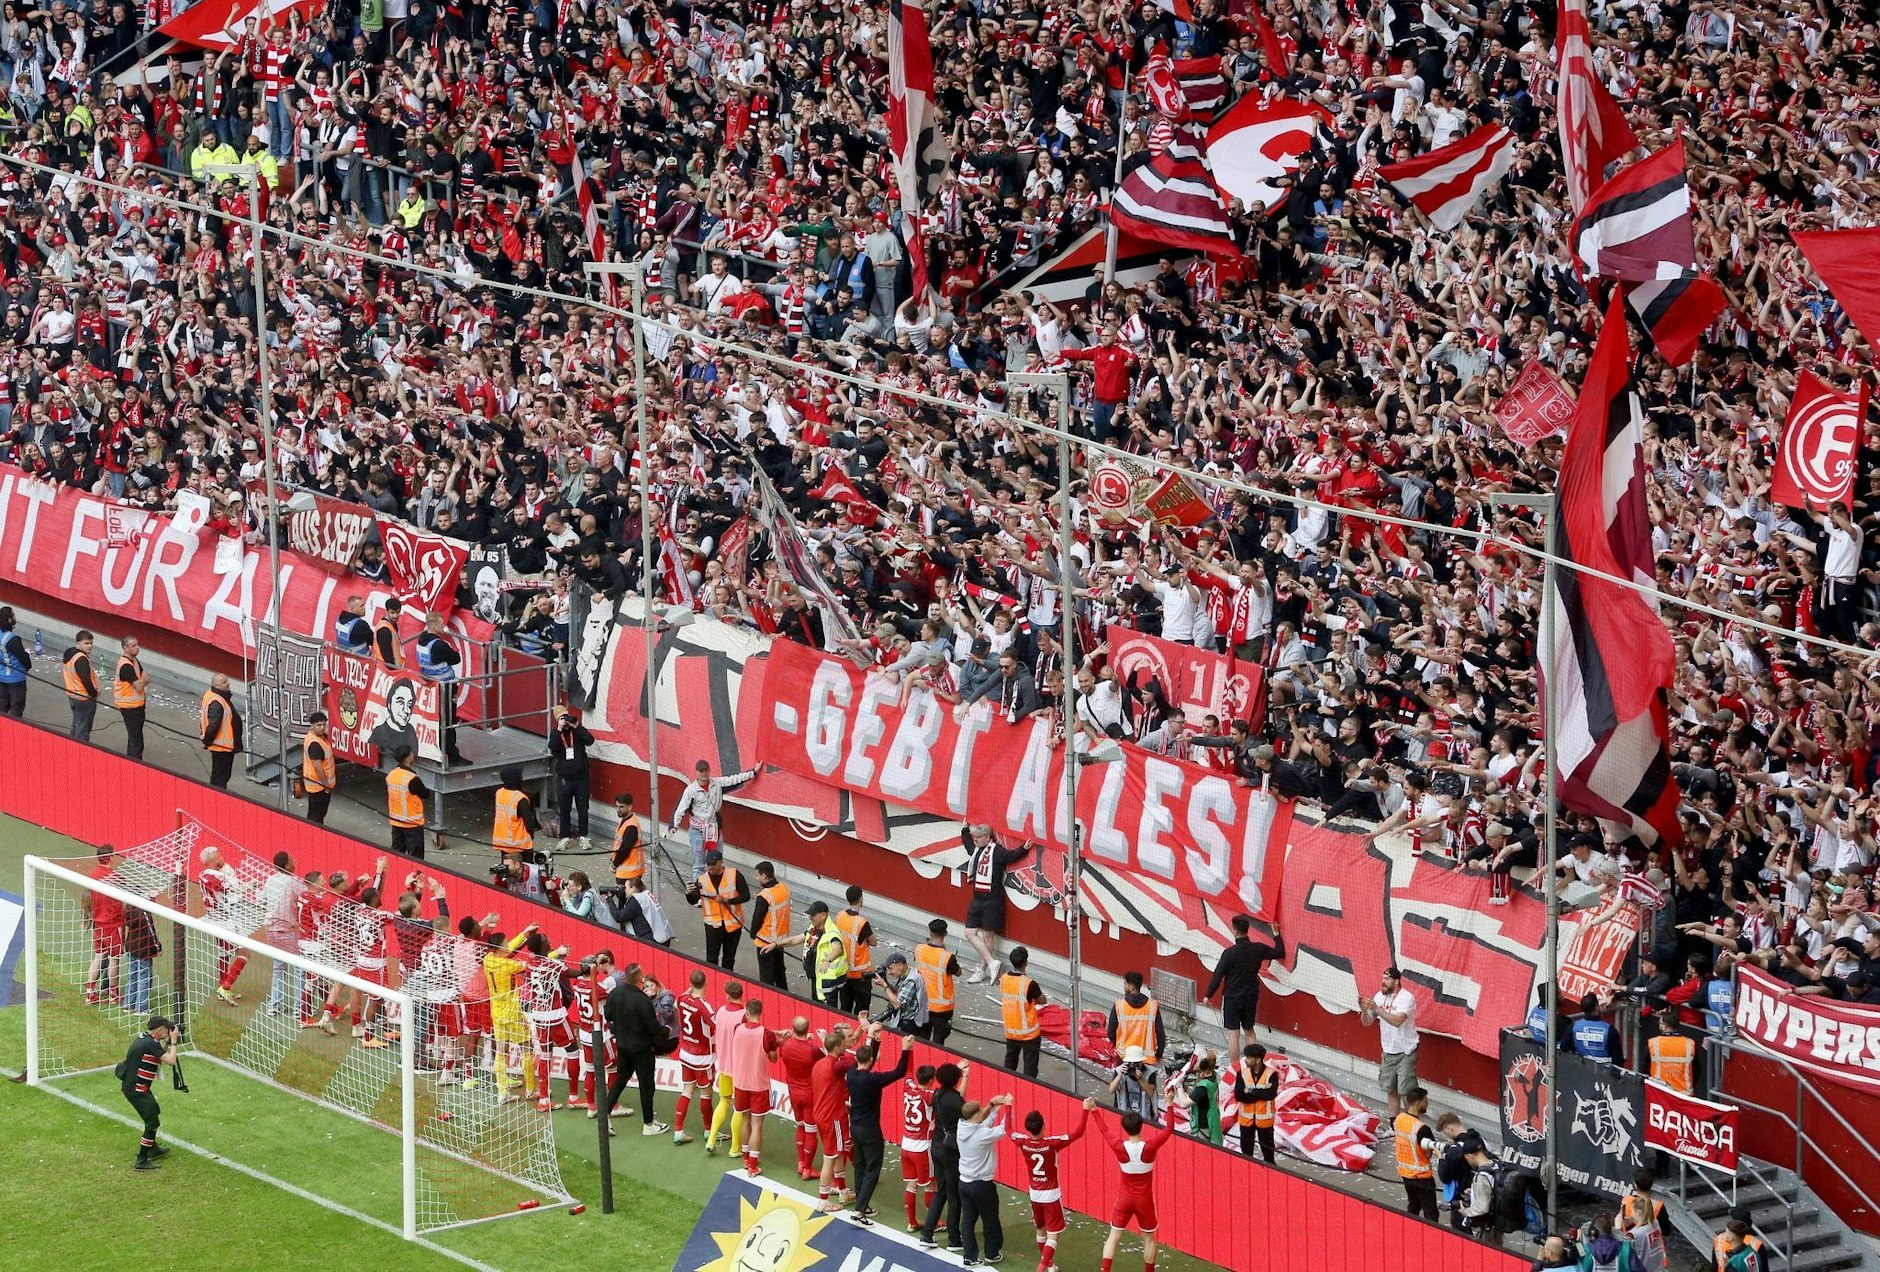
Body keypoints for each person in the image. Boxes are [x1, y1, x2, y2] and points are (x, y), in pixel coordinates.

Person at [1012, 1097, 1096, 1269]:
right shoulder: (1052, 1144)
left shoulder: (1023, 1142)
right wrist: (1085, 1109)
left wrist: (1007, 1106)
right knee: (1053, 1235)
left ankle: (1050, 1266)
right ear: (1043, 1126)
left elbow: (1008, 1130)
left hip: (1034, 1194)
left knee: (1040, 1231)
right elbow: (1078, 1132)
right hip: (1051, 1195)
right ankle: (1042, 1267)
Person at [845, 1024, 913, 1224]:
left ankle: (862, 1204)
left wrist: (872, 1037)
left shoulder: (851, 1074)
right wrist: (905, 1049)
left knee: (860, 1166)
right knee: (872, 1169)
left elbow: (868, 1060)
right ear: (872, 1061)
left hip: (855, 1127)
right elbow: (900, 1071)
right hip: (871, 1130)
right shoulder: (874, 1080)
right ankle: (859, 1210)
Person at [1098, 1107, 1176, 1272]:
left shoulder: (1119, 1146)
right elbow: (1169, 1129)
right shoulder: (1149, 1147)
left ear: (1124, 1128)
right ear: (1142, 1126)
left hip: (1125, 1198)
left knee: (1113, 1237)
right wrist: (1169, 1104)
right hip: (1144, 1200)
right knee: (1148, 1239)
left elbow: (1104, 1131)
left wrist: (1093, 1111)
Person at [603, 962, 676, 1134]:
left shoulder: (615, 993)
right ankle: (649, 1124)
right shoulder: (642, 1000)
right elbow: (652, 1026)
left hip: (623, 1045)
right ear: (639, 979)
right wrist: (666, 1031)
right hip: (641, 1049)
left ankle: (604, 1116)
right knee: (646, 1085)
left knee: (620, 1080)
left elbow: (608, 1015)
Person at [1202, 914, 1285, 1054]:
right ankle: (1253, 1066)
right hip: (1251, 996)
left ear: (1234, 931)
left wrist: (1208, 995)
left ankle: (1235, 1070)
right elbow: (1279, 952)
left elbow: (1218, 976)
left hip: (1232, 998)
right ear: (1247, 930)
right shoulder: (1258, 949)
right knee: (1249, 1029)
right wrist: (1276, 935)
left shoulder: (1229, 953)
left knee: (1233, 1034)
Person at [961, 823, 1029, 983]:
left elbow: (1011, 856)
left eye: (978, 837)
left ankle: (982, 969)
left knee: (987, 936)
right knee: (969, 933)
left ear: (987, 837)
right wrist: (964, 829)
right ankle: (992, 963)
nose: (975, 840)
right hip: (978, 899)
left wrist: (1024, 848)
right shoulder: (976, 850)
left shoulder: (997, 851)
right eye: (974, 837)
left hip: (992, 900)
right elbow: (967, 844)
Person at [666, 759, 758, 876]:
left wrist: (753, 772)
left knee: (717, 864)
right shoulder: (691, 791)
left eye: (706, 771)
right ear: (696, 772)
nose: (704, 773)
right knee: (699, 866)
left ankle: (716, 889)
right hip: (697, 831)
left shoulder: (717, 784)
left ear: (709, 771)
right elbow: (680, 809)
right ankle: (697, 893)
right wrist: (673, 826)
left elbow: (735, 779)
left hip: (714, 829)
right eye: (701, 771)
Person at [955, 1093, 1015, 1265]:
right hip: (981, 1185)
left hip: (964, 1183)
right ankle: (992, 1253)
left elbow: (982, 1124)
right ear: (975, 1115)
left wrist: (994, 1108)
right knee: (990, 1220)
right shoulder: (981, 1135)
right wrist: (1009, 1107)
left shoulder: (962, 1127)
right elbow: (1005, 1129)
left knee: (967, 1221)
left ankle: (969, 1256)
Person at [917, 1061, 969, 1249]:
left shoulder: (937, 1094)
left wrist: (960, 1073)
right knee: (954, 1196)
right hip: (951, 1152)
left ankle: (927, 1233)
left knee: (940, 1192)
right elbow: (965, 1108)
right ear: (955, 1081)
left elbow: (956, 1095)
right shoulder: (954, 1100)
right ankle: (954, 1239)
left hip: (937, 1147)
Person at [726, 997, 781, 1177]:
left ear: (747, 1013)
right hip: (758, 1084)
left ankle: (746, 1159)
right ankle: (753, 1165)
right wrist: (777, 1042)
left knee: (746, 1119)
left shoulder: (738, 1029)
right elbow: (773, 1058)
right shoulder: (767, 1034)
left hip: (740, 1082)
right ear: (761, 1013)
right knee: (757, 1125)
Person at [1360, 965, 1420, 1118]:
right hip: (1388, 1051)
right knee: (1391, 1089)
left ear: (1397, 981)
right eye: (1382, 978)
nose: (1383, 982)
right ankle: (1394, 1126)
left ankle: (1412, 1124)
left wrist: (1377, 1009)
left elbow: (1397, 1021)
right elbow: (1367, 1023)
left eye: (1387, 979)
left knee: (1406, 1091)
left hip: (1406, 1051)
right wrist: (1364, 1010)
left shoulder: (1407, 997)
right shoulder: (1379, 997)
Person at [120, 1016, 179, 1170]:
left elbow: (158, 1054)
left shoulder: (146, 1039)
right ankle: (141, 1160)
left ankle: (153, 1149)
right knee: (152, 1123)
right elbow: (171, 1060)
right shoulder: (150, 1044)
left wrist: (167, 1043)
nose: (168, 1031)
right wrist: (173, 1041)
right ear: (159, 1029)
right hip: (137, 1089)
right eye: (166, 1029)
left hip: (135, 1086)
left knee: (154, 1111)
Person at [811, 1024, 859, 1211]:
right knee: (830, 1158)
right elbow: (859, 1061)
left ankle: (842, 1190)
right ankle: (822, 1201)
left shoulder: (819, 1064)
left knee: (837, 1153)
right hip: (833, 1118)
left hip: (821, 1115)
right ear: (838, 1047)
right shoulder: (835, 1066)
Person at [669, 970, 717, 1143]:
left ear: (690, 983)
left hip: (686, 1053)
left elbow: (676, 1003)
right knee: (706, 1093)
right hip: (702, 1057)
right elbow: (716, 1024)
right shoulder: (704, 1006)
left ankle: (678, 1130)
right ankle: (709, 1130)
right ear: (706, 983)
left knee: (687, 1090)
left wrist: (687, 992)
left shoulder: (682, 999)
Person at [779, 1017, 826, 1181]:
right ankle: (807, 1169)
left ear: (792, 1028)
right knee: (811, 1130)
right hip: (810, 1093)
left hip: (793, 1091)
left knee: (800, 1126)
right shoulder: (812, 1049)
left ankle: (801, 1163)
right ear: (808, 1029)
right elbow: (828, 1058)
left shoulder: (785, 1045)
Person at [686, 849, 750, 969]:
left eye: (713, 864)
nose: (710, 867)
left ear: (721, 862)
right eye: (708, 864)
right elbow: (693, 900)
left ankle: (727, 983)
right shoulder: (702, 880)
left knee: (729, 958)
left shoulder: (734, 875)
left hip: (733, 924)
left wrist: (729, 901)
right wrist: (689, 893)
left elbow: (746, 896)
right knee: (711, 959)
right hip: (713, 925)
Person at [415, 612, 465, 763]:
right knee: (448, 722)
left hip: (430, 686)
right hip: (445, 687)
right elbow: (456, 659)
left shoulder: (421, 641)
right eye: (442, 625)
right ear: (435, 626)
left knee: (435, 720)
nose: (444, 627)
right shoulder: (439, 645)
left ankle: (436, 751)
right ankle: (452, 756)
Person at [706, 980, 749, 1157]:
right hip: (739, 1069)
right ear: (742, 995)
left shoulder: (720, 1012)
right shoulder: (744, 1016)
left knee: (723, 1101)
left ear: (727, 995)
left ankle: (711, 1139)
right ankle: (735, 1148)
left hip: (723, 1066)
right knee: (739, 1108)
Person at [83, 846, 125, 1006]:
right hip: (113, 924)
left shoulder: (92, 876)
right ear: (111, 857)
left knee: (99, 956)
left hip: (98, 924)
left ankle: (90, 994)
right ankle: (114, 995)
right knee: (114, 959)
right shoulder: (115, 877)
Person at [551, 708, 596, 849]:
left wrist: (577, 726)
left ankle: (584, 836)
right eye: (561, 718)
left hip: (581, 778)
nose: (565, 721)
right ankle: (564, 837)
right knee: (564, 809)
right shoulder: (556, 734)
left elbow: (590, 740)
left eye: (566, 717)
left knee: (583, 808)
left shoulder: (576, 733)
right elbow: (552, 747)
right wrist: (559, 729)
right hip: (565, 779)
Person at [1394, 1086, 1440, 1223]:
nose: (1427, 1103)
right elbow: (1428, 1153)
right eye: (1426, 1101)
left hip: (1405, 1172)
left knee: (1414, 1205)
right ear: (1418, 1102)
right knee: (1430, 1212)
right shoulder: (1422, 1129)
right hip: (1421, 1176)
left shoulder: (1399, 1119)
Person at [1000, 946, 1047, 1077]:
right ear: (1025, 963)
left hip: (1011, 1030)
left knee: (1010, 1063)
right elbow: (1043, 1000)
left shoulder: (1004, 979)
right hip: (1029, 1033)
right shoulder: (1029, 983)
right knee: (1030, 1067)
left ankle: (1007, 1085)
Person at [914, 919, 962, 1046]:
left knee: (922, 1038)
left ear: (930, 932)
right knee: (938, 1042)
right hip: (942, 1008)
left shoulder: (919, 949)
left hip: (923, 1003)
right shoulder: (947, 957)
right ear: (946, 933)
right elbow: (958, 972)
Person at [749, 861, 793, 990]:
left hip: (765, 942)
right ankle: (785, 997)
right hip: (780, 940)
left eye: (758, 875)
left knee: (766, 977)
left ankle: (769, 1001)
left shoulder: (764, 896)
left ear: (764, 875)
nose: (757, 878)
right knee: (780, 973)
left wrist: (753, 933)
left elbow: (757, 918)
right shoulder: (784, 888)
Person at [1233, 1043, 1280, 1164]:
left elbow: (1270, 1094)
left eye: (1248, 1057)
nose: (1245, 1060)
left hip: (1265, 1122)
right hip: (1246, 1121)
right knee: (1246, 1155)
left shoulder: (1272, 1074)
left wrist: (1250, 1091)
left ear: (1258, 1060)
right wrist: (1260, 1094)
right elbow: (1239, 1095)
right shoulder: (1241, 1073)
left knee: (1268, 1154)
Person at [835, 885, 878, 1015]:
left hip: (843, 970)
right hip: (860, 975)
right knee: (861, 1011)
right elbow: (873, 942)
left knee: (845, 1007)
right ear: (861, 899)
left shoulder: (840, 915)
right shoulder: (861, 923)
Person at [1109, 971, 1166, 1064]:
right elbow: (1160, 1034)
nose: (1124, 986)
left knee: (1119, 1078)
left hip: (1124, 1057)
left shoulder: (1119, 1006)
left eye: (1125, 984)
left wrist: (1117, 1045)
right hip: (1147, 1059)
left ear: (1131, 987)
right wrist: (1159, 1054)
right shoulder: (1152, 1006)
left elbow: (1111, 1032)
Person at [1618, 1170, 1669, 1272]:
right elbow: (1666, 1231)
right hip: (1656, 1254)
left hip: (1635, 1254)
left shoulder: (1627, 1201)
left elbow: (1622, 1225)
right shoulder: (1659, 1205)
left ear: (1635, 1185)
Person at [200, 672, 244, 788]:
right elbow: (213, 725)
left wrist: (205, 739)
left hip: (221, 746)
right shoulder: (217, 702)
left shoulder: (212, 695)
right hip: (222, 747)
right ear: (217, 686)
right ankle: (218, 798)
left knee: (219, 775)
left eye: (227, 680)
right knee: (220, 777)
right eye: (224, 682)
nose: (228, 683)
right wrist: (207, 741)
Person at [386, 747, 430, 859]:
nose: (413, 755)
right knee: (416, 857)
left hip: (396, 822)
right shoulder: (412, 779)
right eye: (411, 754)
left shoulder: (391, 775)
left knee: (396, 853)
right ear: (407, 759)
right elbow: (425, 794)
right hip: (412, 824)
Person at [491, 767, 539, 862]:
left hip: (503, 842)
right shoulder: (520, 799)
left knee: (507, 869)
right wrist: (531, 835)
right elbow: (529, 822)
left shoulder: (499, 793)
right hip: (520, 844)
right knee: (526, 871)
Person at [114, 636, 151, 760]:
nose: (137, 648)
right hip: (130, 708)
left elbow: (145, 677)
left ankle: (131, 759)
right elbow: (140, 685)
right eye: (133, 646)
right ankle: (135, 763)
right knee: (136, 741)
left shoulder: (134, 661)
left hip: (137, 706)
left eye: (137, 644)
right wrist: (142, 681)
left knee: (134, 737)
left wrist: (142, 681)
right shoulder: (126, 666)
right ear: (126, 648)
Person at [873, 954, 929, 1035]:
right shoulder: (906, 973)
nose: (889, 972)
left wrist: (884, 986)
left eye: (890, 969)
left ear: (900, 965)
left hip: (909, 1024)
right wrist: (884, 980)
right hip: (903, 1020)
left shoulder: (912, 980)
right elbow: (896, 991)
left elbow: (897, 1004)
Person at [63, 629, 99, 741]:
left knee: (77, 723)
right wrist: (94, 693)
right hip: (84, 698)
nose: (90, 646)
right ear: (78, 643)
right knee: (83, 729)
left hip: (73, 695)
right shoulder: (81, 659)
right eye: (86, 643)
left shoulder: (71, 655)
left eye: (91, 643)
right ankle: (81, 751)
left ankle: (71, 745)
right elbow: (86, 681)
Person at [1110, 1047, 1161, 1125]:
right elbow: (1111, 1090)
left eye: (1136, 1063)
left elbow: (1151, 1092)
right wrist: (1120, 1075)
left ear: (1141, 1061)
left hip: (1145, 1115)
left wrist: (1141, 1079)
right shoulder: (1119, 1070)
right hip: (1123, 1113)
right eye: (1131, 1062)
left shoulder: (1150, 1072)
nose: (1133, 1065)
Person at [1647, 1014, 1696, 1094]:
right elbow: (1696, 1069)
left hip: (1659, 1093)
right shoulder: (1689, 1043)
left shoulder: (1653, 1043)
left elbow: (1645, 1068)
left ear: (1664, 1026)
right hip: (1684, 1094)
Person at [610, 793, 646, 890]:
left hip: (629, 873)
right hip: (628, 870)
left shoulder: (631, 826)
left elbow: (625, 849)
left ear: (630, 807)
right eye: (616, 806)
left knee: (626, 901)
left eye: (621, 807)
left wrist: (614, 864)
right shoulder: (627, 821)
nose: (618, 809)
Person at [0, 606, 28, 717]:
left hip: (2, 677)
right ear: (10, 619)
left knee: (2, 707)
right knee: (17, 709)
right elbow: (23, 657)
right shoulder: (12, 639)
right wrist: (28, 666)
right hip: (16, 679)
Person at [372, 598, 404, 668]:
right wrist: (394, 670)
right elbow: (386, 654)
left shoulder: (392, 625)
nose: (395, 616)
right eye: (392, 612)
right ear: (387, 611)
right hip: (386, 668)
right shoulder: (384, 630)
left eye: (398, 612)